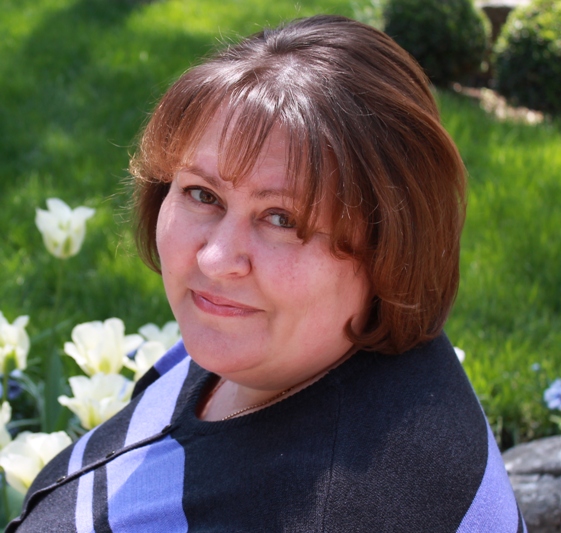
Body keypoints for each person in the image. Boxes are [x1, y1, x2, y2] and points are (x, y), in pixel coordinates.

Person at [8, 15, 524, 532]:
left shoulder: (339, 511)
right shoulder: (277, 353)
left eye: (282, 219)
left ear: (390, 246)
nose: (215, 260)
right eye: (202, 194)